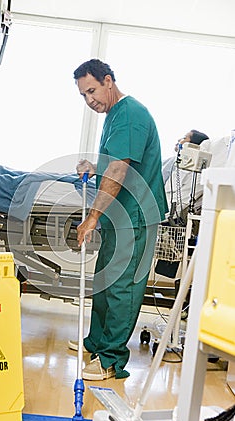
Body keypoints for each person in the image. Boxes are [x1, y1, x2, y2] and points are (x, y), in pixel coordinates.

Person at [70, 59, 168, 380]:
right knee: (104, 281)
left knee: (122, 287)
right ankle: (97, 342)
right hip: (120, 215)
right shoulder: (114, 115)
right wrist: (92, 166)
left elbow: (119, 170)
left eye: (92, 90)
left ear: (108, 81)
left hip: (136, 216)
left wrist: (92, 216)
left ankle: (110, 359)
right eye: (83, 95)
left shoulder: (129, 115)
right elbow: (113, 163)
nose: (89, 100)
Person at [163, 129, 209, 222]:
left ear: (193, 145)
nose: (179, 140)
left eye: (185, 138)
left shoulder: (197, 174)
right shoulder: (171, 162)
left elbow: (182, 201)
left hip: (168, 216)